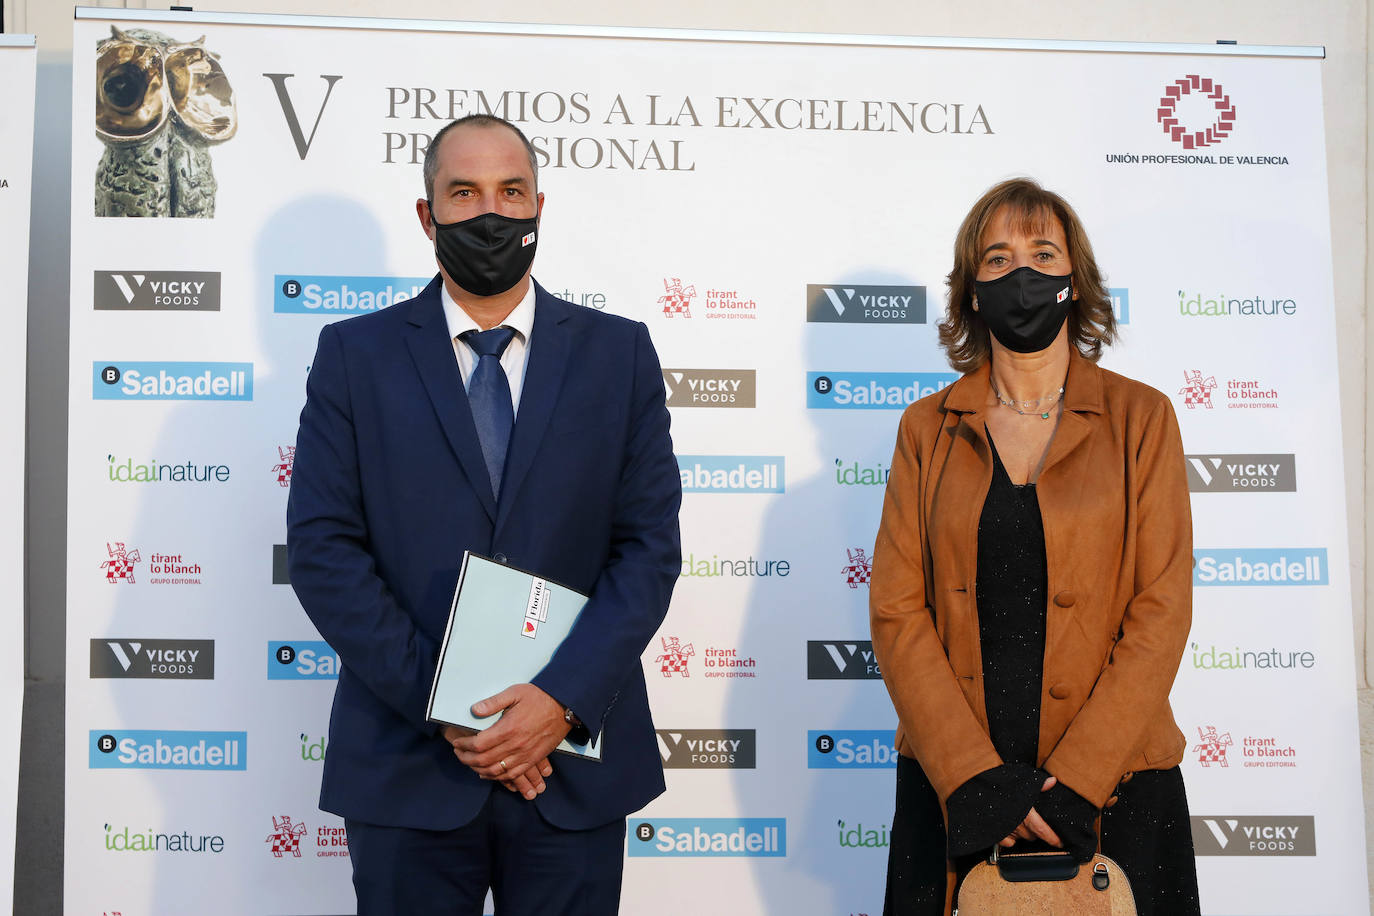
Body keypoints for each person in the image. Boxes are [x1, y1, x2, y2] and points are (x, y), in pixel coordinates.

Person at [286, 113, 682, 915]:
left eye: (510, 191)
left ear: (540, 205)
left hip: (571, 764)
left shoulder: (620, 353)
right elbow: (324, 550)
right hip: (410, 764)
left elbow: (647, 550)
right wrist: (452, 706)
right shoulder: (353, 356)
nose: (490, 213)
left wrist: (557, 703)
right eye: (463, 193)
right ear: (428, 216)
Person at [868, 178, 1200, 916]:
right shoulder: (926, 428)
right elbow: (896, 611)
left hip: (1116, 784)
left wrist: (1079, 780)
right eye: (997, 258)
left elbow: (1162, 608)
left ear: (1073, 283)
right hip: (957, 787)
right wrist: (977, 780)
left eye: (1043, 253)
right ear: (972, 291)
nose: (1023, 273)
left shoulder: (1142, 419)